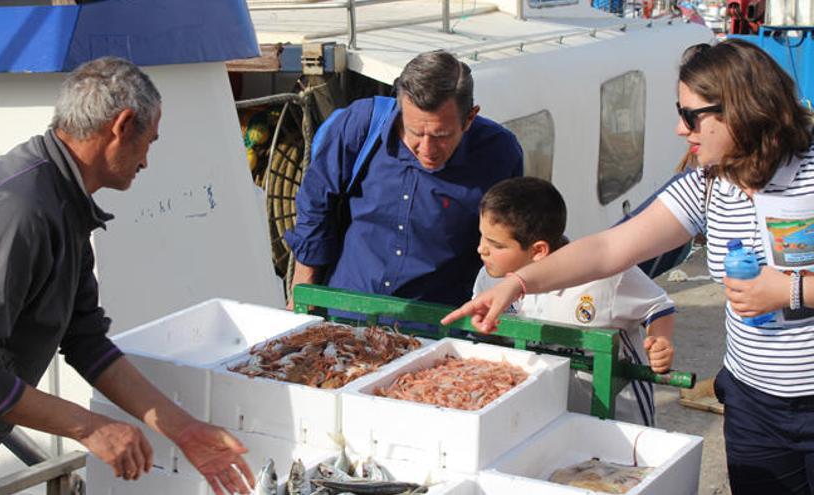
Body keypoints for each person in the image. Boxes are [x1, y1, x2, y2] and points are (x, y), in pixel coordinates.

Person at [443, 39, 814, 494]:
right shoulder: (709, 185)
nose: (681, 129)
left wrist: (791, 292)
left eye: (691, 115)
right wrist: (518, 283)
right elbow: (606, 250)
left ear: (740, 109)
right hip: (756, 407)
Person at [0, 57, 253, 495]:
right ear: (122, 126)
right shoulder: (23, 210)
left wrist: (184, 430)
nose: (146, 161)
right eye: (150, 142)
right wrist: (89, 428)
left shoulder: (62, 200)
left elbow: (85, 340)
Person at [285, 50, 524, 309]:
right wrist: (302, 295)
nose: (427, 149)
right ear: (400, 111)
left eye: (441, 135)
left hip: (434, 325)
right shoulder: (359, 125)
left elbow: (510, 237)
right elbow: (317, 204)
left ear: (469, 118)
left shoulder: (499, 153)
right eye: (415, 132)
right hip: (344, 311)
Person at [473, 177, 676, 426]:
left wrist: (660, 340)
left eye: (495, 244)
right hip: (542, 410)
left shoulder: (604, 275)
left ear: (538, 251)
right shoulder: (490, 278)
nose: (481, 249)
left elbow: (658, 306)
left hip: (616, 412)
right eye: (482, 236)